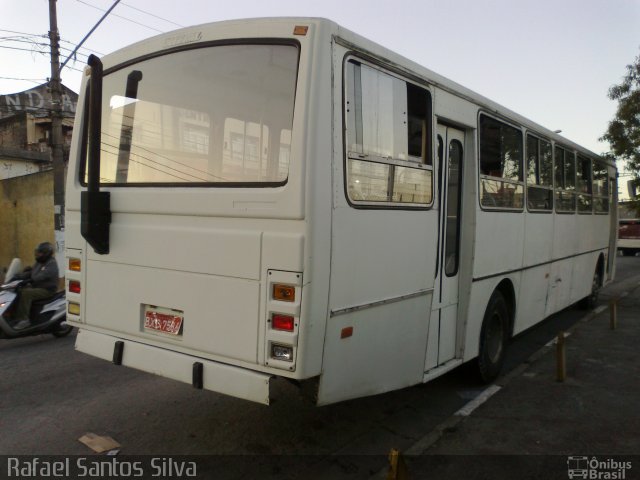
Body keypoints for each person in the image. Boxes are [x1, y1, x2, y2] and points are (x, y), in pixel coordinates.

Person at [12, 242, 59, 330]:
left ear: (46, 253)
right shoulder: (39, 262)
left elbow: (44, 275)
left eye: (40, 253)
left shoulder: (51, 263)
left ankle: (24, 320)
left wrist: (30, 280)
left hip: (47, 290)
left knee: (26, 293)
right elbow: (32, 272)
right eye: (37, 253)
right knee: (18, 290)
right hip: (37, 287)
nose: (37, 255)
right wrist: (18, 276)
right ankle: (15, 316)